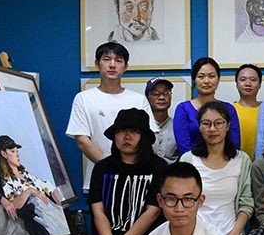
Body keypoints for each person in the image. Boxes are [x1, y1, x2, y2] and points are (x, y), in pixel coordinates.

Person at [66, 41, 153, 192]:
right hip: (100, 179)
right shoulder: (84, 98)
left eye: (118, 60)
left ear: (125, 66)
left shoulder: (138, 100)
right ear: (97, 63)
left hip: (136, 180)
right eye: (106, 59)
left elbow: (148, 138)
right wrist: (112, 170)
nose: (112, 65)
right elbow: (82, 140)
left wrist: (129, 172)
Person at [179, 102, 253, 235]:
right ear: (199, 127)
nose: (212, 129)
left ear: (227, 126)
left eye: (218, 123)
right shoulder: (188, 160)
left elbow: (246, 203)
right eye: (206, 124)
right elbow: (181, 203)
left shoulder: (241, 160)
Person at [0, 135, 67, 235]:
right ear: (4, 154)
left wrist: (60, 204)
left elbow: (48, 187)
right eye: (13, 151)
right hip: (38, 217)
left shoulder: (25, 174)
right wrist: (30, 191)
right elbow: (13, 205)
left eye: (17, 151)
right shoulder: (7, 180)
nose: (17, 155)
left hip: (50, 210)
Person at [173, 57, 241, 156]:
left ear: (218, 79)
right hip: (192, 162)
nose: (206, 81)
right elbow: (183, 147)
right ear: (194, 80)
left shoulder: (229, 109)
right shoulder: (183, 109)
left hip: (225, 162)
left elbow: (234, 144)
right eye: (201, 76)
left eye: (211, 76)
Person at [232, 64, 262, 162]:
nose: (248, 83)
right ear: (236, 84)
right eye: (243, 79)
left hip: (261, 165)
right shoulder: (230, 110)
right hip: (235, 163)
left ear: (260, 84)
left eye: (253, 80)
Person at [145, 77, 177, 164]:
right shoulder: (142, 127)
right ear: (147, 98)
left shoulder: (177, 126)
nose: (161, 97)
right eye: (155, 93)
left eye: (166, 93)